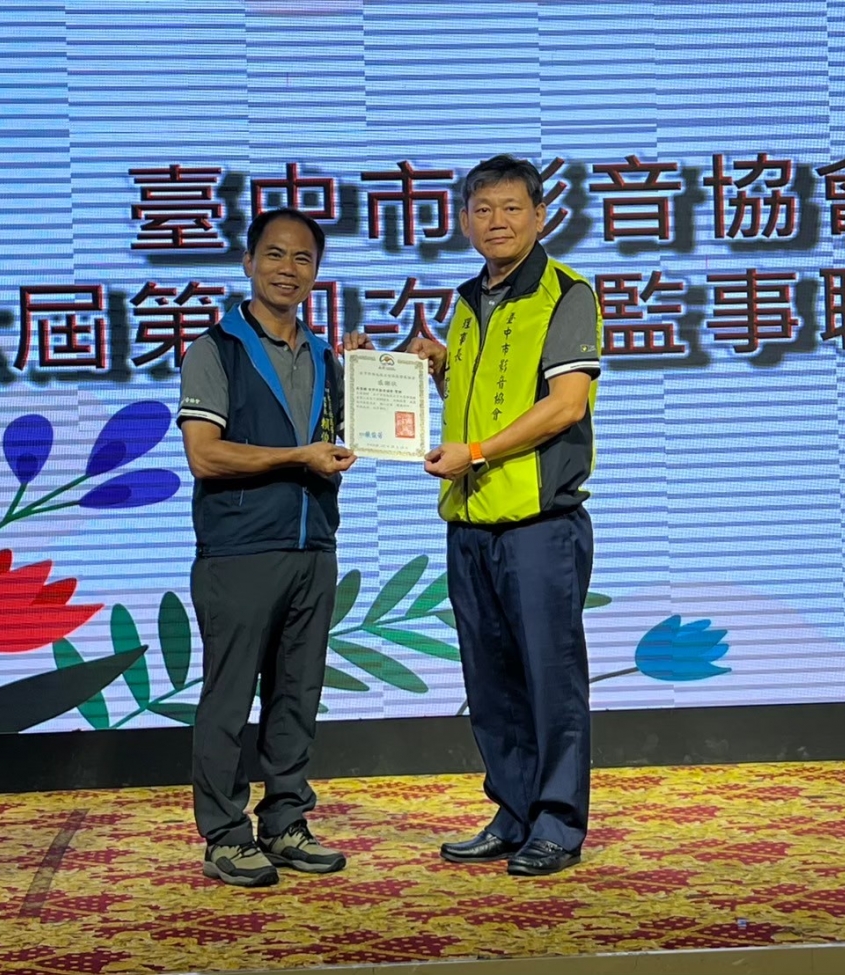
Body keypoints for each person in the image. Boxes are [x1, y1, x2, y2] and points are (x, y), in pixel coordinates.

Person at [347, 154, 602, 876]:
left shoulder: (565, 294)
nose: (497, 221)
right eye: (483, 209)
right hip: (468, 523)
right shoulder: (466, 302)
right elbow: (477, 395)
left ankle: (557, 823)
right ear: (463, 220)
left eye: (512, 208)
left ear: (541, 216)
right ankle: (514, 811)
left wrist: (479, 452)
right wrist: (425, 368)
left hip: (538, 525)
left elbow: (565, 405)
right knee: (490, 684)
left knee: (551, 683)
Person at [177, 207, 355, 887]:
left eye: (303, 258)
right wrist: (296, 456)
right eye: (275, 255)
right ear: (248, 262)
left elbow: (341, 442)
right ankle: (225, 834)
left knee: (296, 697)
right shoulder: (214, 350)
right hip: (239, 551)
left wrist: (371, 380)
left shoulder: (326, 357)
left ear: (317, 272)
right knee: (228, 701)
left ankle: (285, 821)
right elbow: (205, 454)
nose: (288, 269)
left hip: (313, 547)